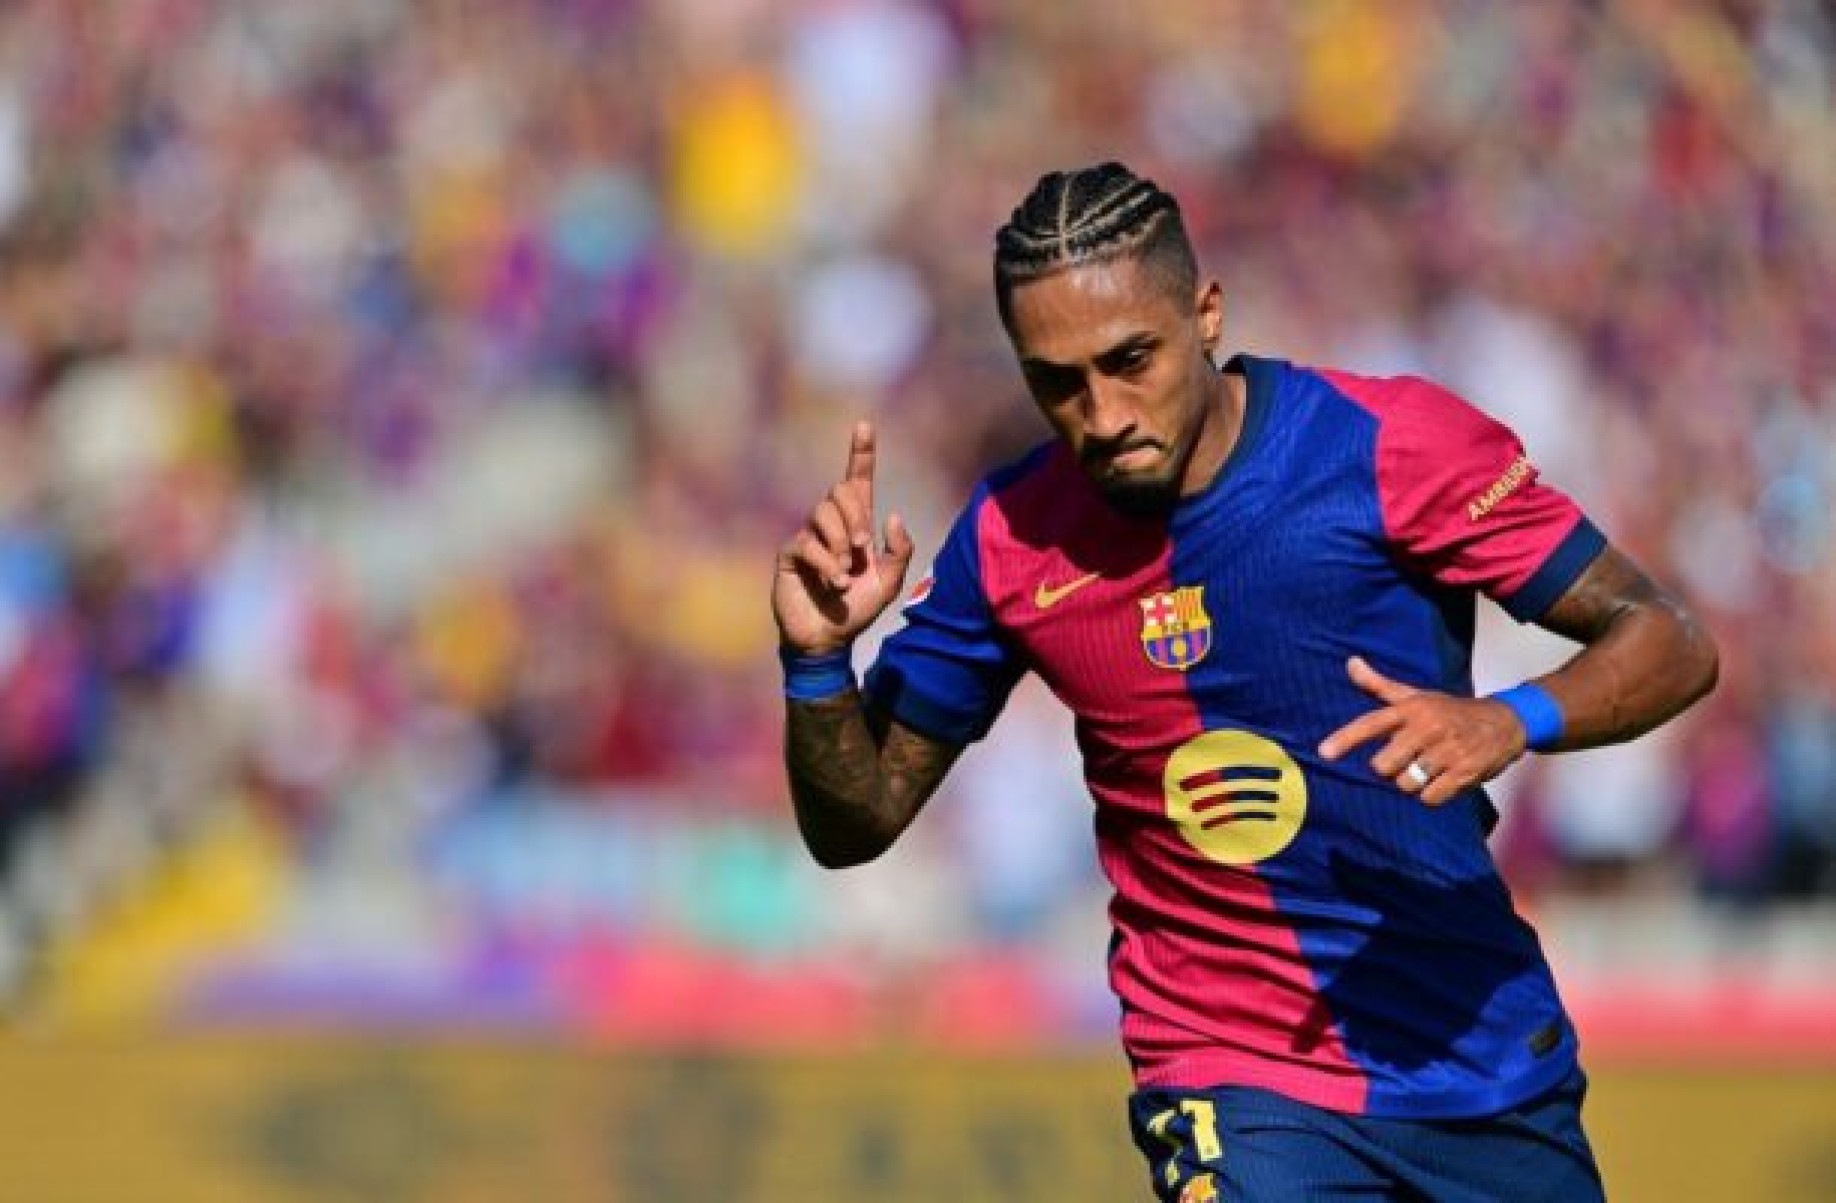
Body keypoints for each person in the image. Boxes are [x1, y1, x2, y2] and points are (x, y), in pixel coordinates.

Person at [770, 162, 1717, 1202]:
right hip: (1231, 1072)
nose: (1103, 412)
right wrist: (818, 663)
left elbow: (1667, 639)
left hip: (1473, 1054)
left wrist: (1511, 719)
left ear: (1206, 312)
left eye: (1132, 360)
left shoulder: (1390, 448)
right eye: (1058, 383)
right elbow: (855, 822)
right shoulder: (1010, 540)